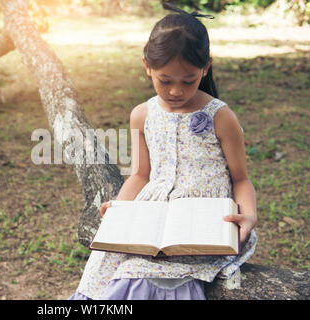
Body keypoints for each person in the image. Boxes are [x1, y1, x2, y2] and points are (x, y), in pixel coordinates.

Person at [68, 2, 257, 300]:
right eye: (164, 80)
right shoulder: (142, 114)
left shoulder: (220, 116)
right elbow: (141, 174)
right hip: (153, 213)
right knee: (112, 271)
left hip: (202, 219)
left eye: (189, 81)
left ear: (206, 67)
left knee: (158, 279)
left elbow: (241, 179)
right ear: (147, 66)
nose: (176, 91)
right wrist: (120, 208)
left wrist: (248, 217)